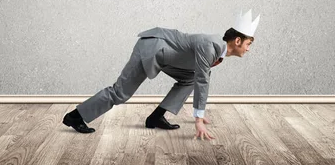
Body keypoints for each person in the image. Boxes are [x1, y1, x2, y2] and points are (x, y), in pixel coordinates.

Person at [63, 8, 259, 139]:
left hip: (168, 56)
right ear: (238, 41)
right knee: (120, 93)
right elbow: (203, 80)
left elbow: (200, 76)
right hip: (152, 48)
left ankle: (156, 117)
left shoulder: (217, 50)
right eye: (249, 44)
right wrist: (198, 119)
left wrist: (200, 112)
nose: (249, 49)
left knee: (189, 78)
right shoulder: (211, 46)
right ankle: (76, 117)